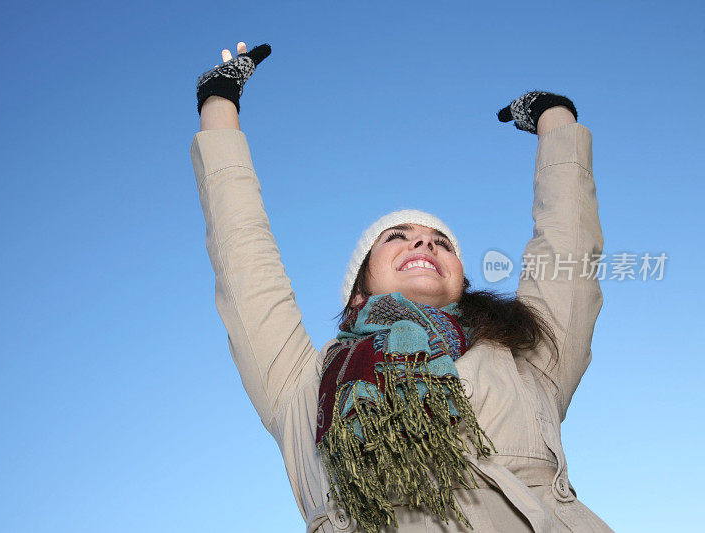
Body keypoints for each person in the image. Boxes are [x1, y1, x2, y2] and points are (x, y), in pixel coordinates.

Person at [191, 41, 613, 532]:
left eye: (441, 242)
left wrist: (556, 121)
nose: (424, 243)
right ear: (358, 291)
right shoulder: (303, 386)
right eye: (397, 237)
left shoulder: (526, 364)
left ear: (460, 280)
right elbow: (244, 261)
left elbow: (568, 251)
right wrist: (218, 104)